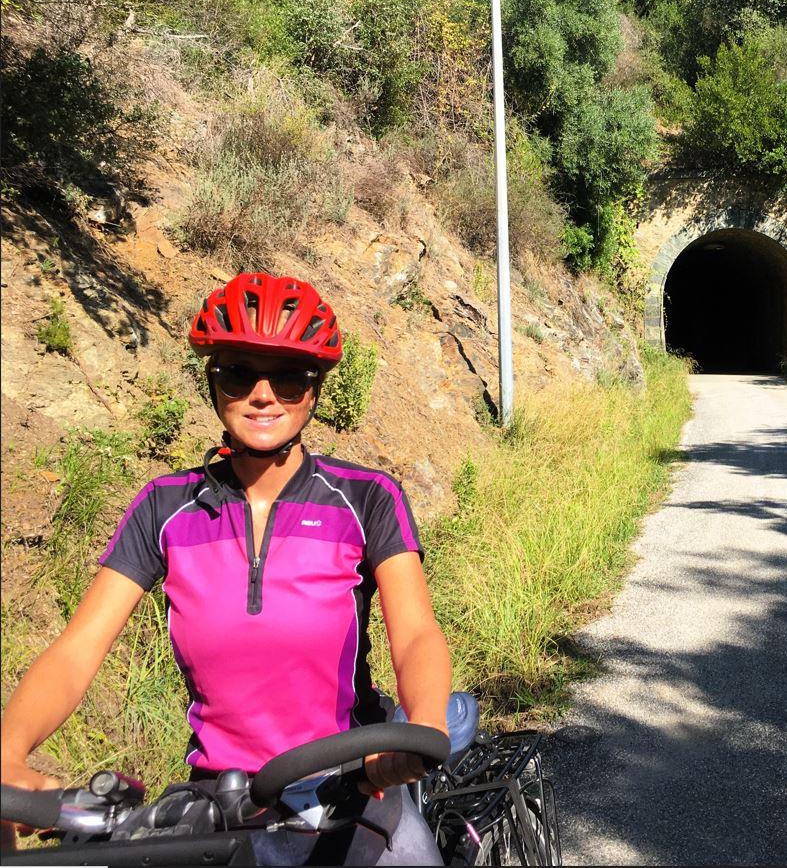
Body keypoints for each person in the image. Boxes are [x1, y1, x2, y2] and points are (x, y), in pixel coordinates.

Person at [1, 273, 454, 865]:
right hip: (221, 797)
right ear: (213, 382)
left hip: (352, 781)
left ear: (314, 389)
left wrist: (422, 726)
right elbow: (77, 649)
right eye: (239, 373)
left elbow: (415, 633)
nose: (263, 395)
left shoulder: (366, 497)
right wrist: (8, 751)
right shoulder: (165, 507)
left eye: (288, 377)